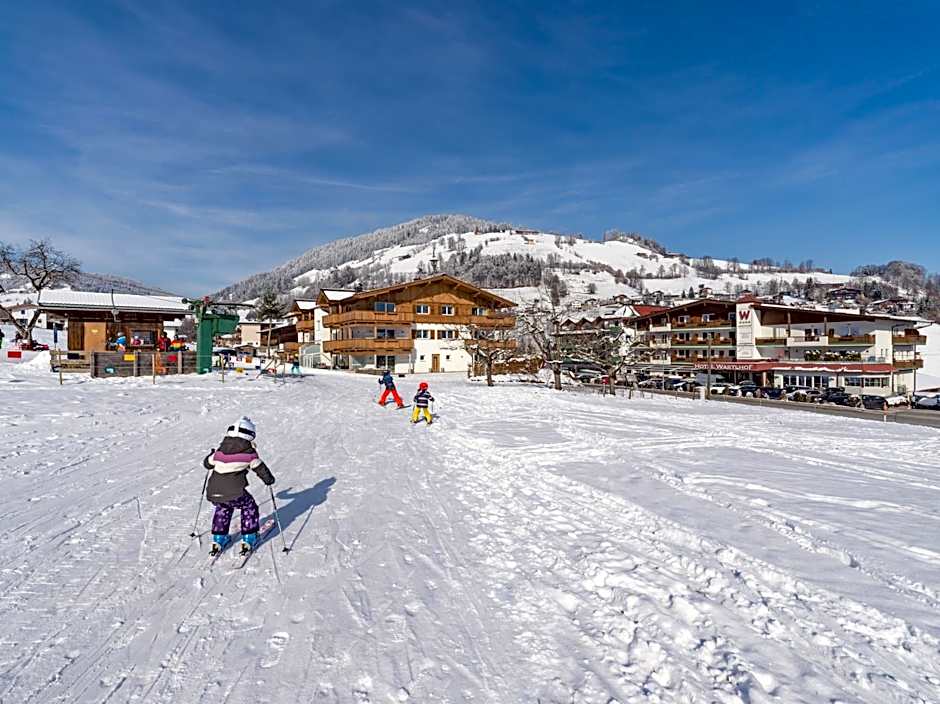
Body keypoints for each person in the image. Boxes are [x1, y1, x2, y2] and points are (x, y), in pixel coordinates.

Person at [202, 416, 276, 555]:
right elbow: (261, 469)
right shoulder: (249, 454)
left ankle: (218, 539)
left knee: (223, 507)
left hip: (214, 492)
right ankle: (249, 537)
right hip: (235, 492)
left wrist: (211, 455)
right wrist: (269, 480)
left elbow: (207, 464)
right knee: (249, 506)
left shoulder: (219, 451)